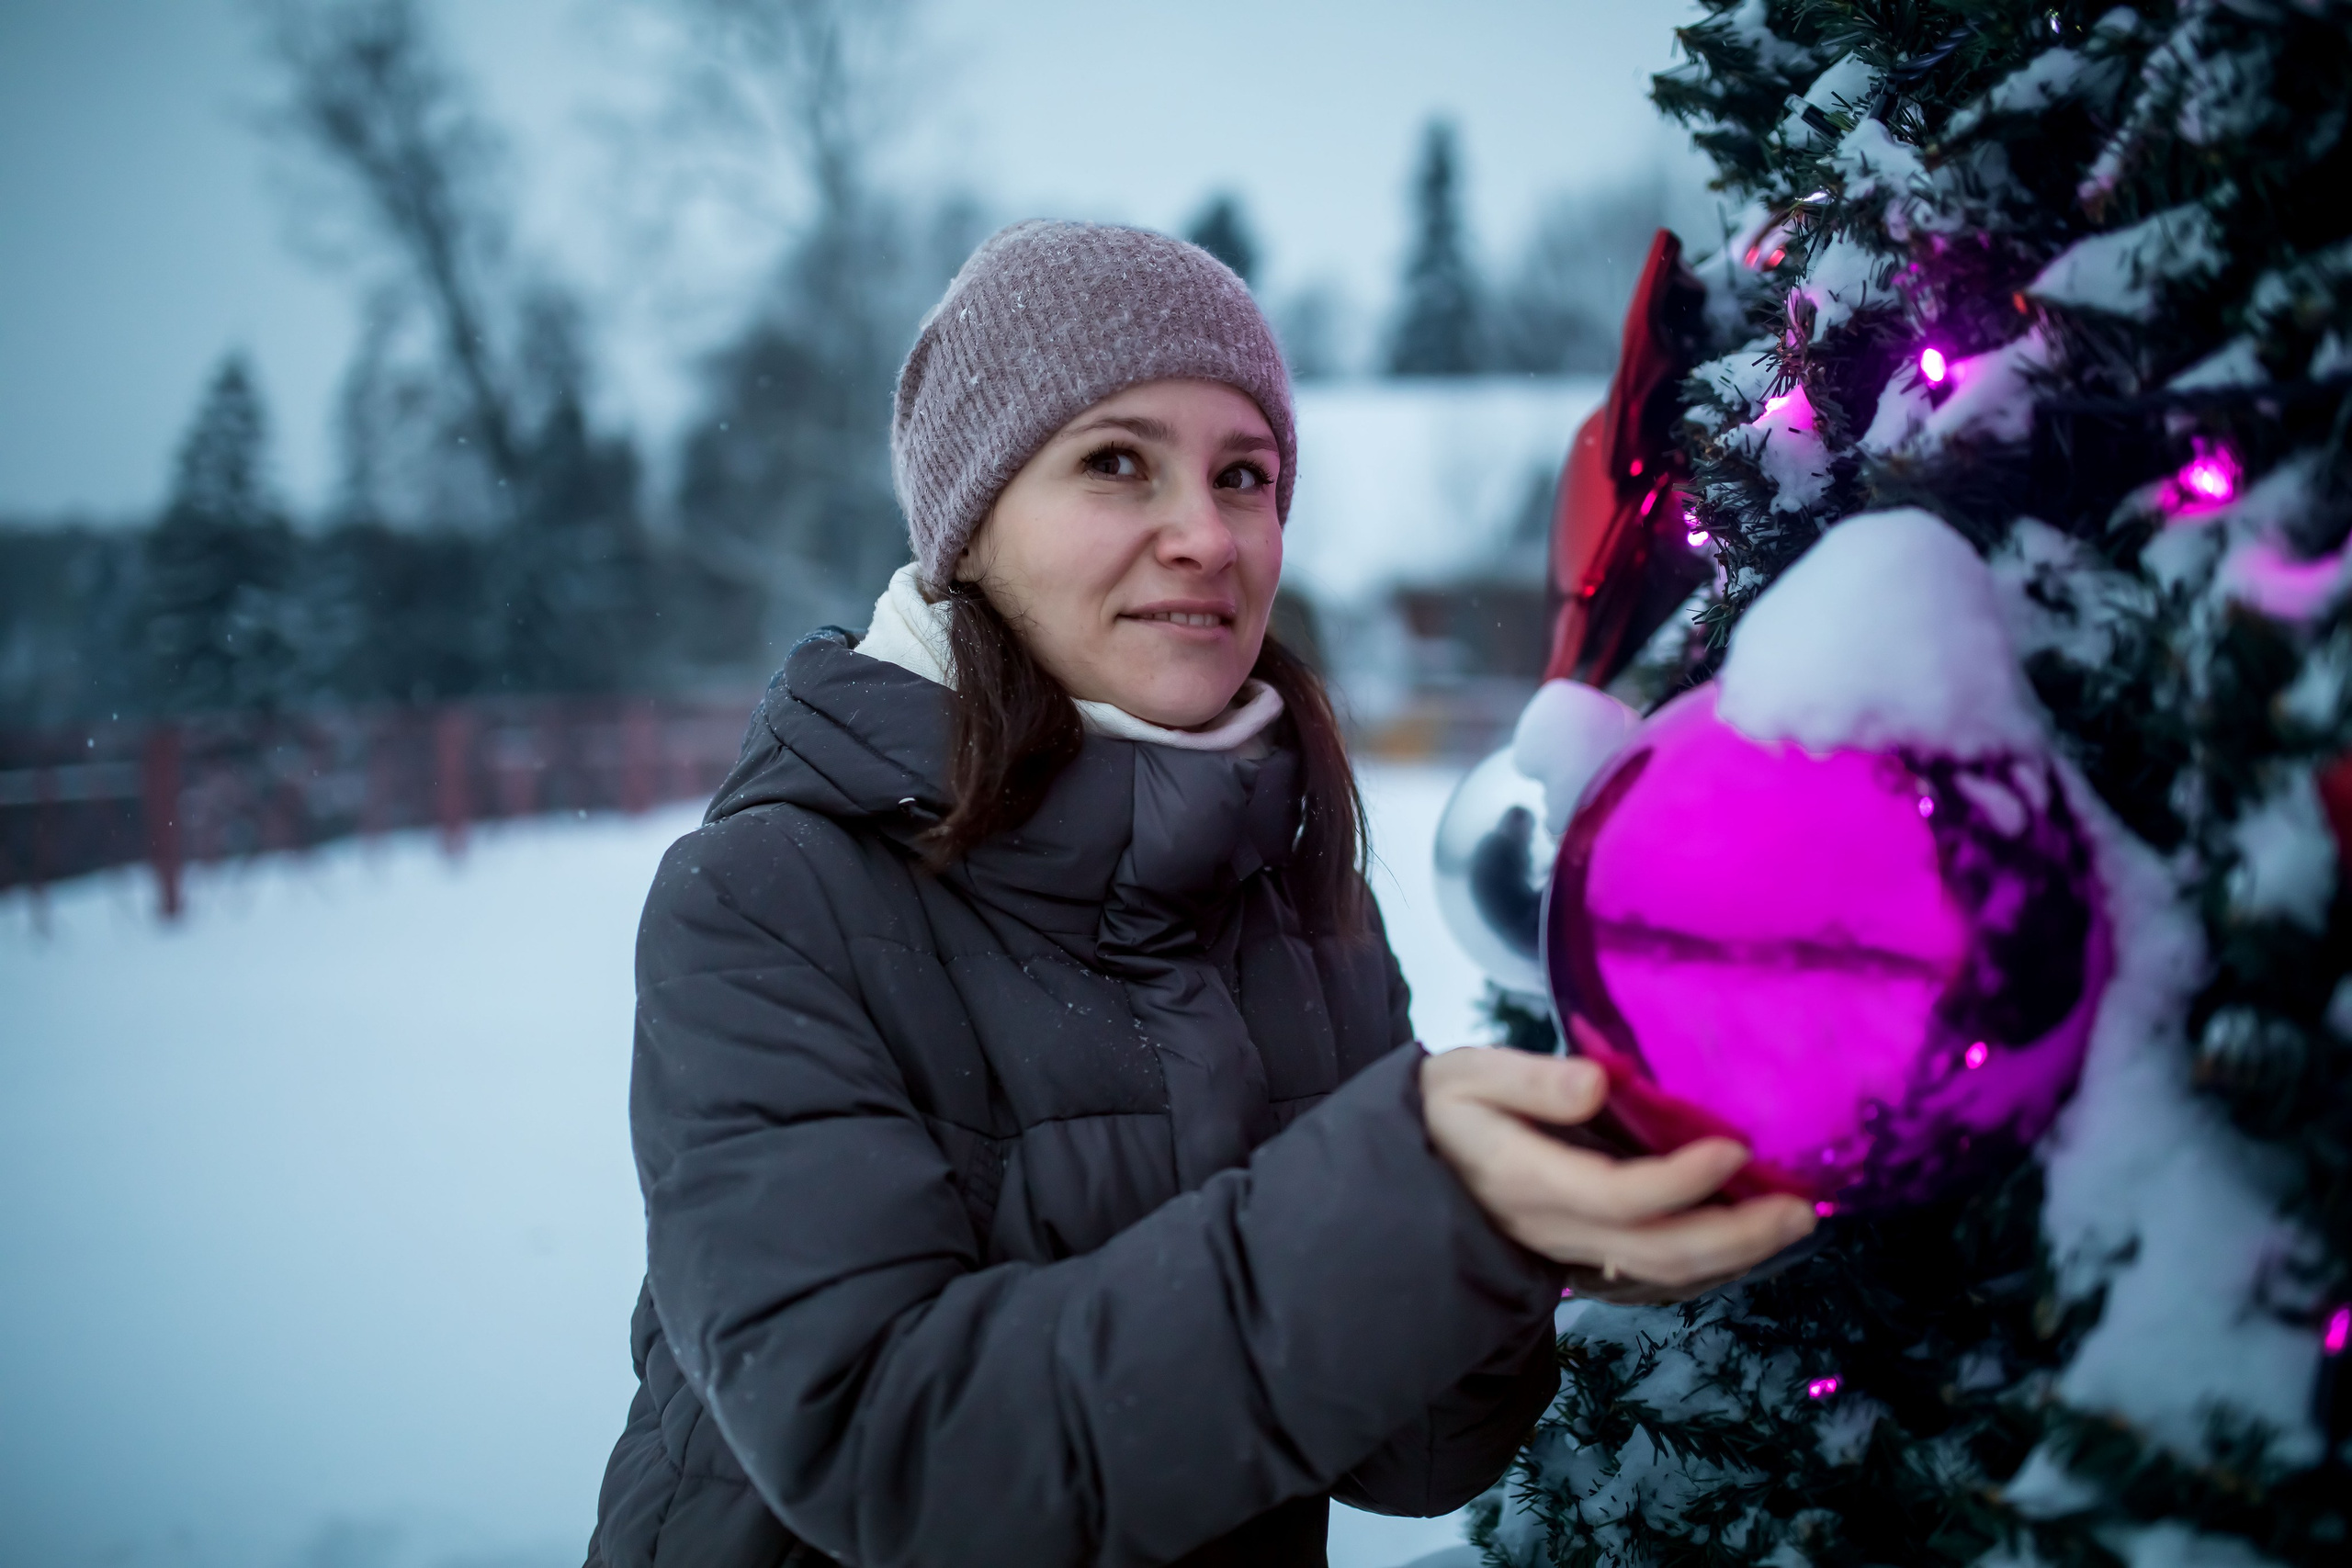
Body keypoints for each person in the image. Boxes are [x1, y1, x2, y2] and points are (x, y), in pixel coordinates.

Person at [584, 220, 1815, 1568]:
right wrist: (1412, 1196)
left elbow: (1414, 1460)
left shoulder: (1293, 886)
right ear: (971, 523)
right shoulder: (765, 897)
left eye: (1247, 476)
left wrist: (1497, 1240)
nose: (1208, 537)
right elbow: (891, 1454)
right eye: (1118, 462)